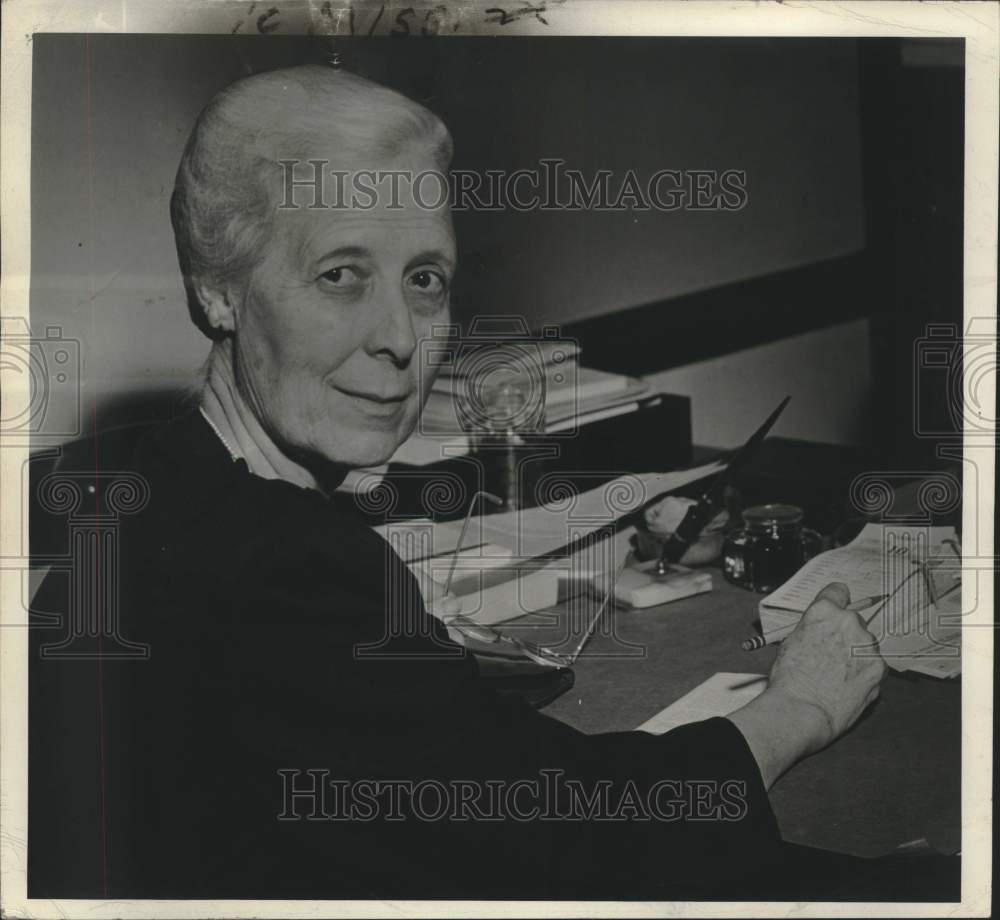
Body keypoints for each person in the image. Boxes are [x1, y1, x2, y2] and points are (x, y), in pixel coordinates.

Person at [29, 64, 936, 901]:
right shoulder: (284, 572)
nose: (400, 337)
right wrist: (798, 709)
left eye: (425, 279)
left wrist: (605, 548)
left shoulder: (153, 484)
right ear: (218, 289)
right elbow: (568, 838)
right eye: (341, 274)